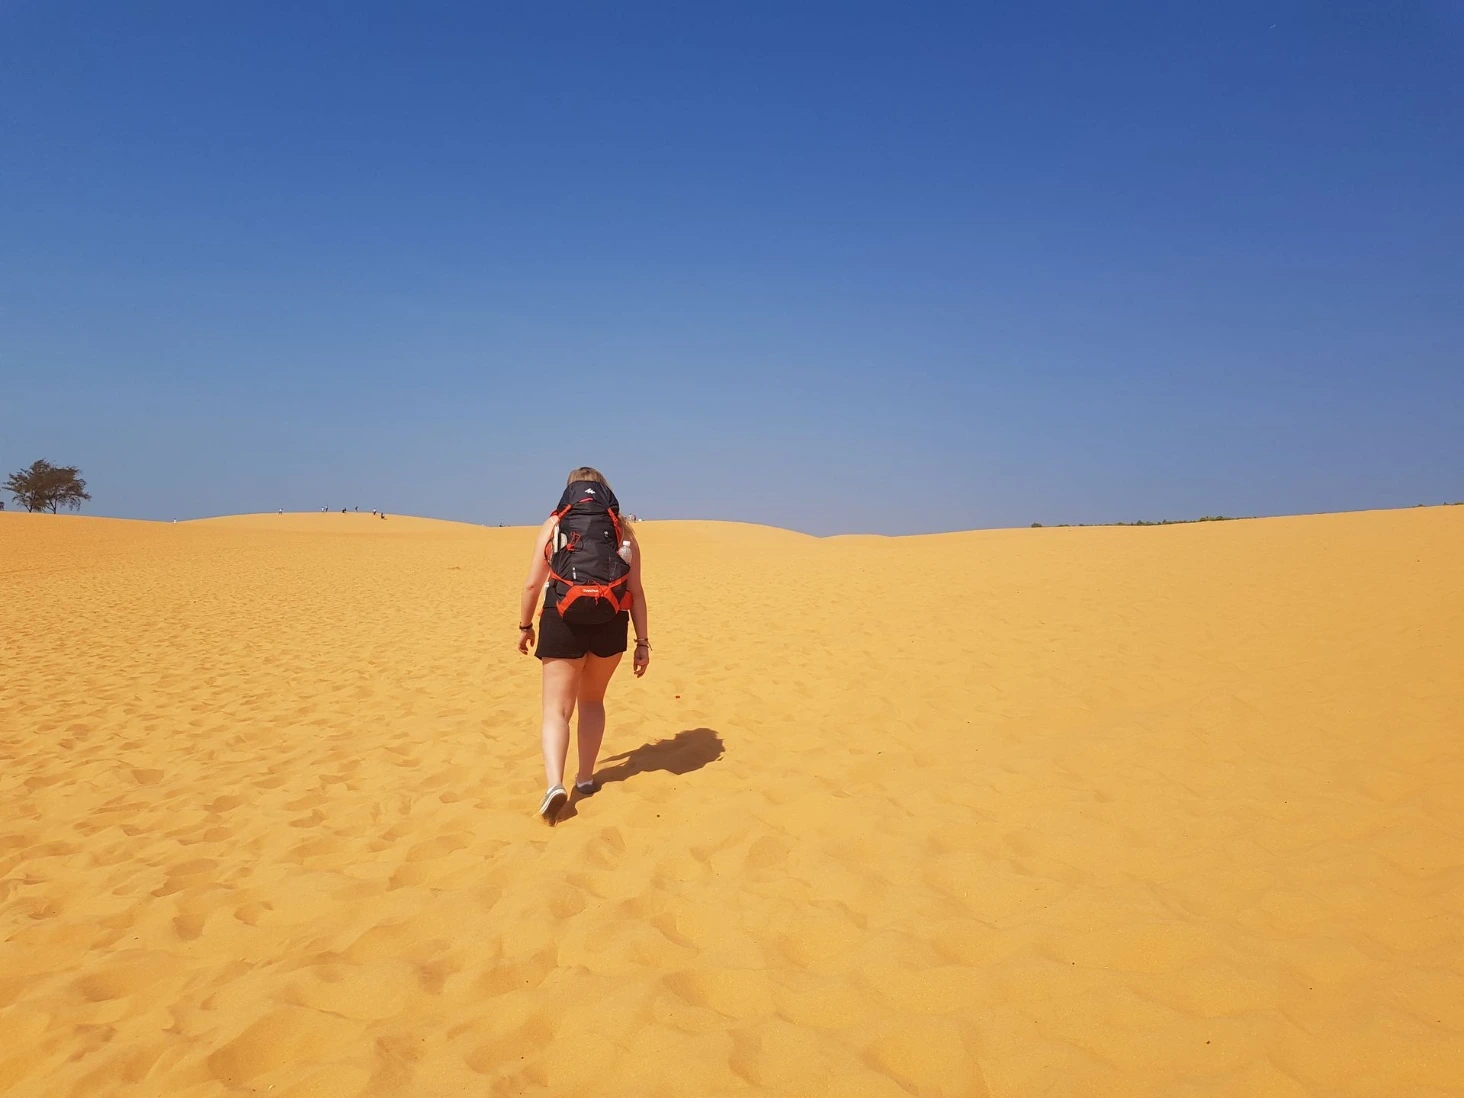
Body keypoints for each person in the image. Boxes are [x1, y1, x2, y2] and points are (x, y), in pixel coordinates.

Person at [518, 467, 649, 824]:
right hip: (610, 621)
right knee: (592, 701)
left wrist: (525, 625)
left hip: (561, 618)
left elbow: (533, 585)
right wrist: (642, 641)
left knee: (556, 710)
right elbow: (635, 592)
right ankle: (587, 778)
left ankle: (554, 784)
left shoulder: (554, 525)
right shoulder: (622, 530)